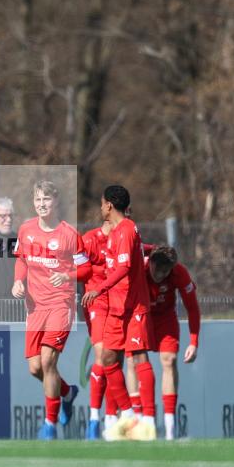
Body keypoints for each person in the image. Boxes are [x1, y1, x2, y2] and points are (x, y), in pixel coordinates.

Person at [11, 181, 89, 440]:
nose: (41, 204)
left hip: (60, 304)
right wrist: (18, 281)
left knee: (47, 361)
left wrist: (67, 276)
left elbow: (86, 269)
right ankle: (67, 393)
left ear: (56, 202)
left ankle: (49, 425)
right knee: (35, 368)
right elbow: (22, 259)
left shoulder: (68, 233)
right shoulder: (26, 229)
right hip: (35, 308)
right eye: (37, 200)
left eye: (46, 199)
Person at [82, 185, 156, 441]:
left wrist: (99, 289)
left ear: (109, 205)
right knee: (109, 358)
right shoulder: (116, 232)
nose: (100, 207)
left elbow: (123, 268)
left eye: (102, 203)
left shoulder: (124, 229)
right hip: (117, 306)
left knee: (138, 357)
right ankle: (127, 415)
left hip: (132, 305)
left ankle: (148, 420)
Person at [145, 245, 200, 440]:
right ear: (149, 262)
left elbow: (192, 308)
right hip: (141, 317)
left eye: (165, 272)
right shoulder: (138, 267)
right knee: (136, 362)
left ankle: (169, 428)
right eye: (157, 270)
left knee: (169, 360)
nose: (160, 275)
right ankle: (145, 422)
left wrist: (193, 342)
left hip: (165, 318)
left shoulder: (179, 273)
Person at [81, 219, 117, 440]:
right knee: (102, 354)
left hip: (120, 302)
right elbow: (76, 267)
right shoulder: (89, 239)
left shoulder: (126, 236)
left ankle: (111, 418)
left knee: (114, 359)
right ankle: (94, 418)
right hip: (96, 302)